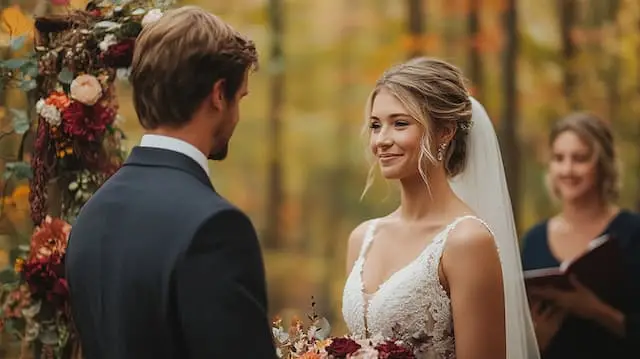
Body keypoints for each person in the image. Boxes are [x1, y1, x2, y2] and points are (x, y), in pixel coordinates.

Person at [65, 6, 276, 359]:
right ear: (218, 94)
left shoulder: (92, 213)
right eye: (239, 98)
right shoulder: (216, 228)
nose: (237, 115)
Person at [341, 57, 540, 359]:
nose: (381, 140)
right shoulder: (362, 238)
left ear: (445, 131)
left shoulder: (467, 241)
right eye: (375, 125)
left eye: (400, 123)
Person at [521, 112, 640, 358]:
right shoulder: (533, 240)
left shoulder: (632, 232)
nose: (567, 169)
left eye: (580, 158)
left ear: (602, 163)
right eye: (558, 158)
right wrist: (536, 339)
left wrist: (594, 309)